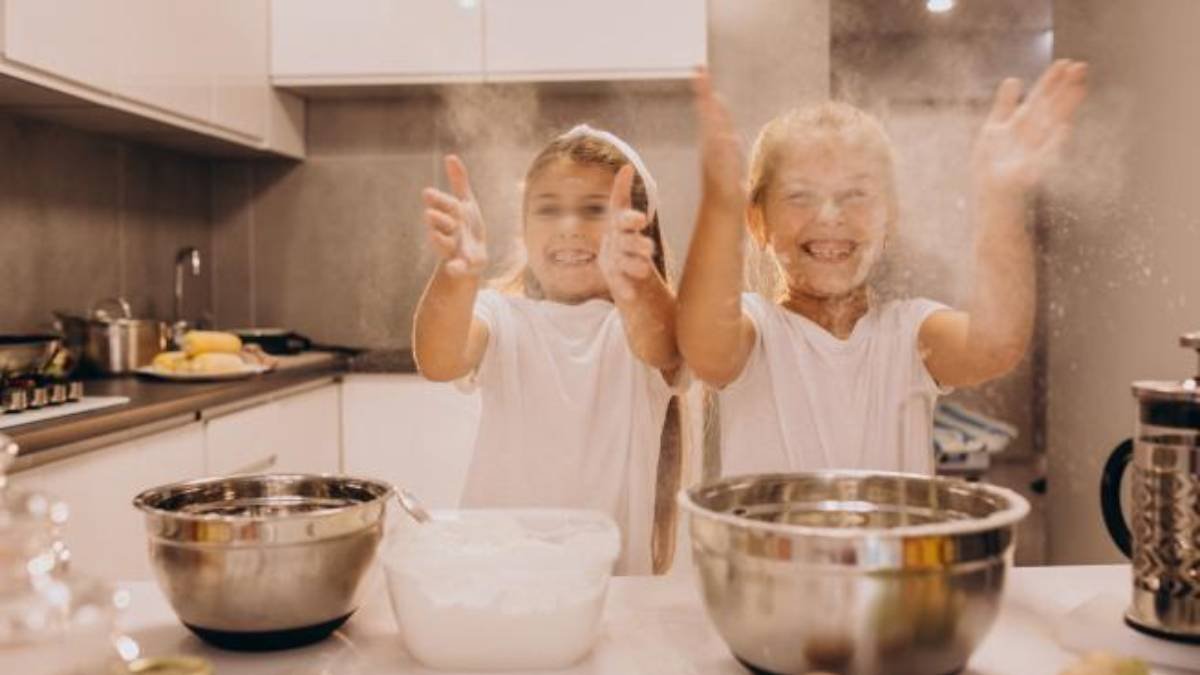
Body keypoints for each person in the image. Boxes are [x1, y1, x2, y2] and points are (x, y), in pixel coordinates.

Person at [678, 62, 1088, 476]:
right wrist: (719, 207)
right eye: (800, 196)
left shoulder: (909, 333)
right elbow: (705, 349)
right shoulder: (757, 331)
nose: (830, 215)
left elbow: (996, 344)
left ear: (889, 219)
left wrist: (1001, 198)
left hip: (893, 545)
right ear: (758, 222)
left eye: (856, 194)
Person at [412, 125, 682, 574]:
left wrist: (636, 278)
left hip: (608, 591)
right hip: (497, 579)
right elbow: (438, 360)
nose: (569, 228)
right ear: (523, 230)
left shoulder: (639, 330)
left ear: (638, 229)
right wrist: (455, 275)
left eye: (595, 210)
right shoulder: (501, 317)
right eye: (547, 210)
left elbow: (667, 347)